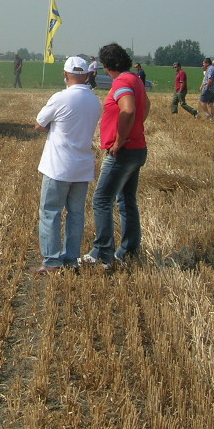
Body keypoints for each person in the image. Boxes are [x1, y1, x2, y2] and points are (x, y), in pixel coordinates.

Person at [33, 56, 102, 275]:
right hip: (83, 167)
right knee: (76, 214)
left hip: (58, 166)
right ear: (87, 75)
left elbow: (39, 124)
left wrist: (54, 129)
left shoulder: (60, 98)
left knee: (51, 212)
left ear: (65, 74)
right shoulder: (95, 101)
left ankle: (52, 261)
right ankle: (72, 259)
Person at [85, 42, 150, 270]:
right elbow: (145, 106)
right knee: (126, 200)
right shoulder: (135, 79)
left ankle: (103, 253)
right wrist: (135, 128)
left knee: (102, 200)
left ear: (106, 65)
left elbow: (128, 109)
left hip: (123, 152)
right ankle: (129, 250)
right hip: (138, 148)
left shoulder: (121, 82)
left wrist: (120, 139)